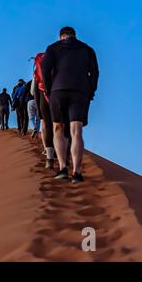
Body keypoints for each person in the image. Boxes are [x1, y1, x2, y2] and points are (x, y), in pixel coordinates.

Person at [42, 27, 99, 184]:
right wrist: (91, 90)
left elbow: (45, 70)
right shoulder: (87, 49)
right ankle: (77, 172)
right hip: (80, 92)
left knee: (58, 129)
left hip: (57, 91)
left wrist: (48, 89)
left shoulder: (53, 48)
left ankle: (62, 168)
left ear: (61, 36)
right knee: (76, 131)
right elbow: (94, 72)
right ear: (74, 35)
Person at [34, 52, 55, 169]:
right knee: (59, 125)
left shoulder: (38, 71)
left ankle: (48, 153)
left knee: (46, 124)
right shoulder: (59, 64)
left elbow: (34, 91)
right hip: (59, 94)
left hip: (42, 95)